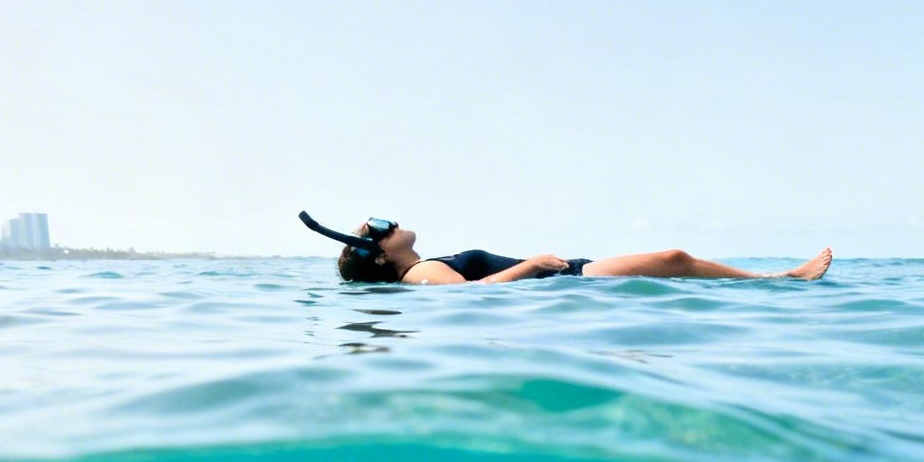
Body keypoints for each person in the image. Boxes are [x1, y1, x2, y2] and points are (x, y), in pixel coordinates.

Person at [299, 212, 833, 285]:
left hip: (566, 279)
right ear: (380, 255)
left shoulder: (421, 266)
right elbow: (472, 294)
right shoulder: (418, 277)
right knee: (674, 259)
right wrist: (530, 264)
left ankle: (778, 281)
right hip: (568, 281)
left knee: (676, 264)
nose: (391, 224)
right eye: (379, 227)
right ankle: (782, 280)